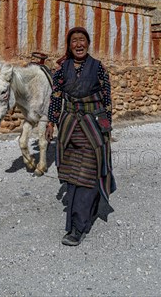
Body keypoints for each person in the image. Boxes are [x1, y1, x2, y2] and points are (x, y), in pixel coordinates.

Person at [45, 26, 116, 246]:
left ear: (88, 43)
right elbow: (56, 97)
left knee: (86, 173)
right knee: (73, 174)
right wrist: (51, 121)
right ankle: (86, 211)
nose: (79, 44)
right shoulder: (61, 69)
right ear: (69, 44)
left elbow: (107, 97)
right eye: (74, 40)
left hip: (92, 125)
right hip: (69, 126)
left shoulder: (98, 68)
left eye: (82, 40)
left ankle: (78, 226)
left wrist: (107, 125)